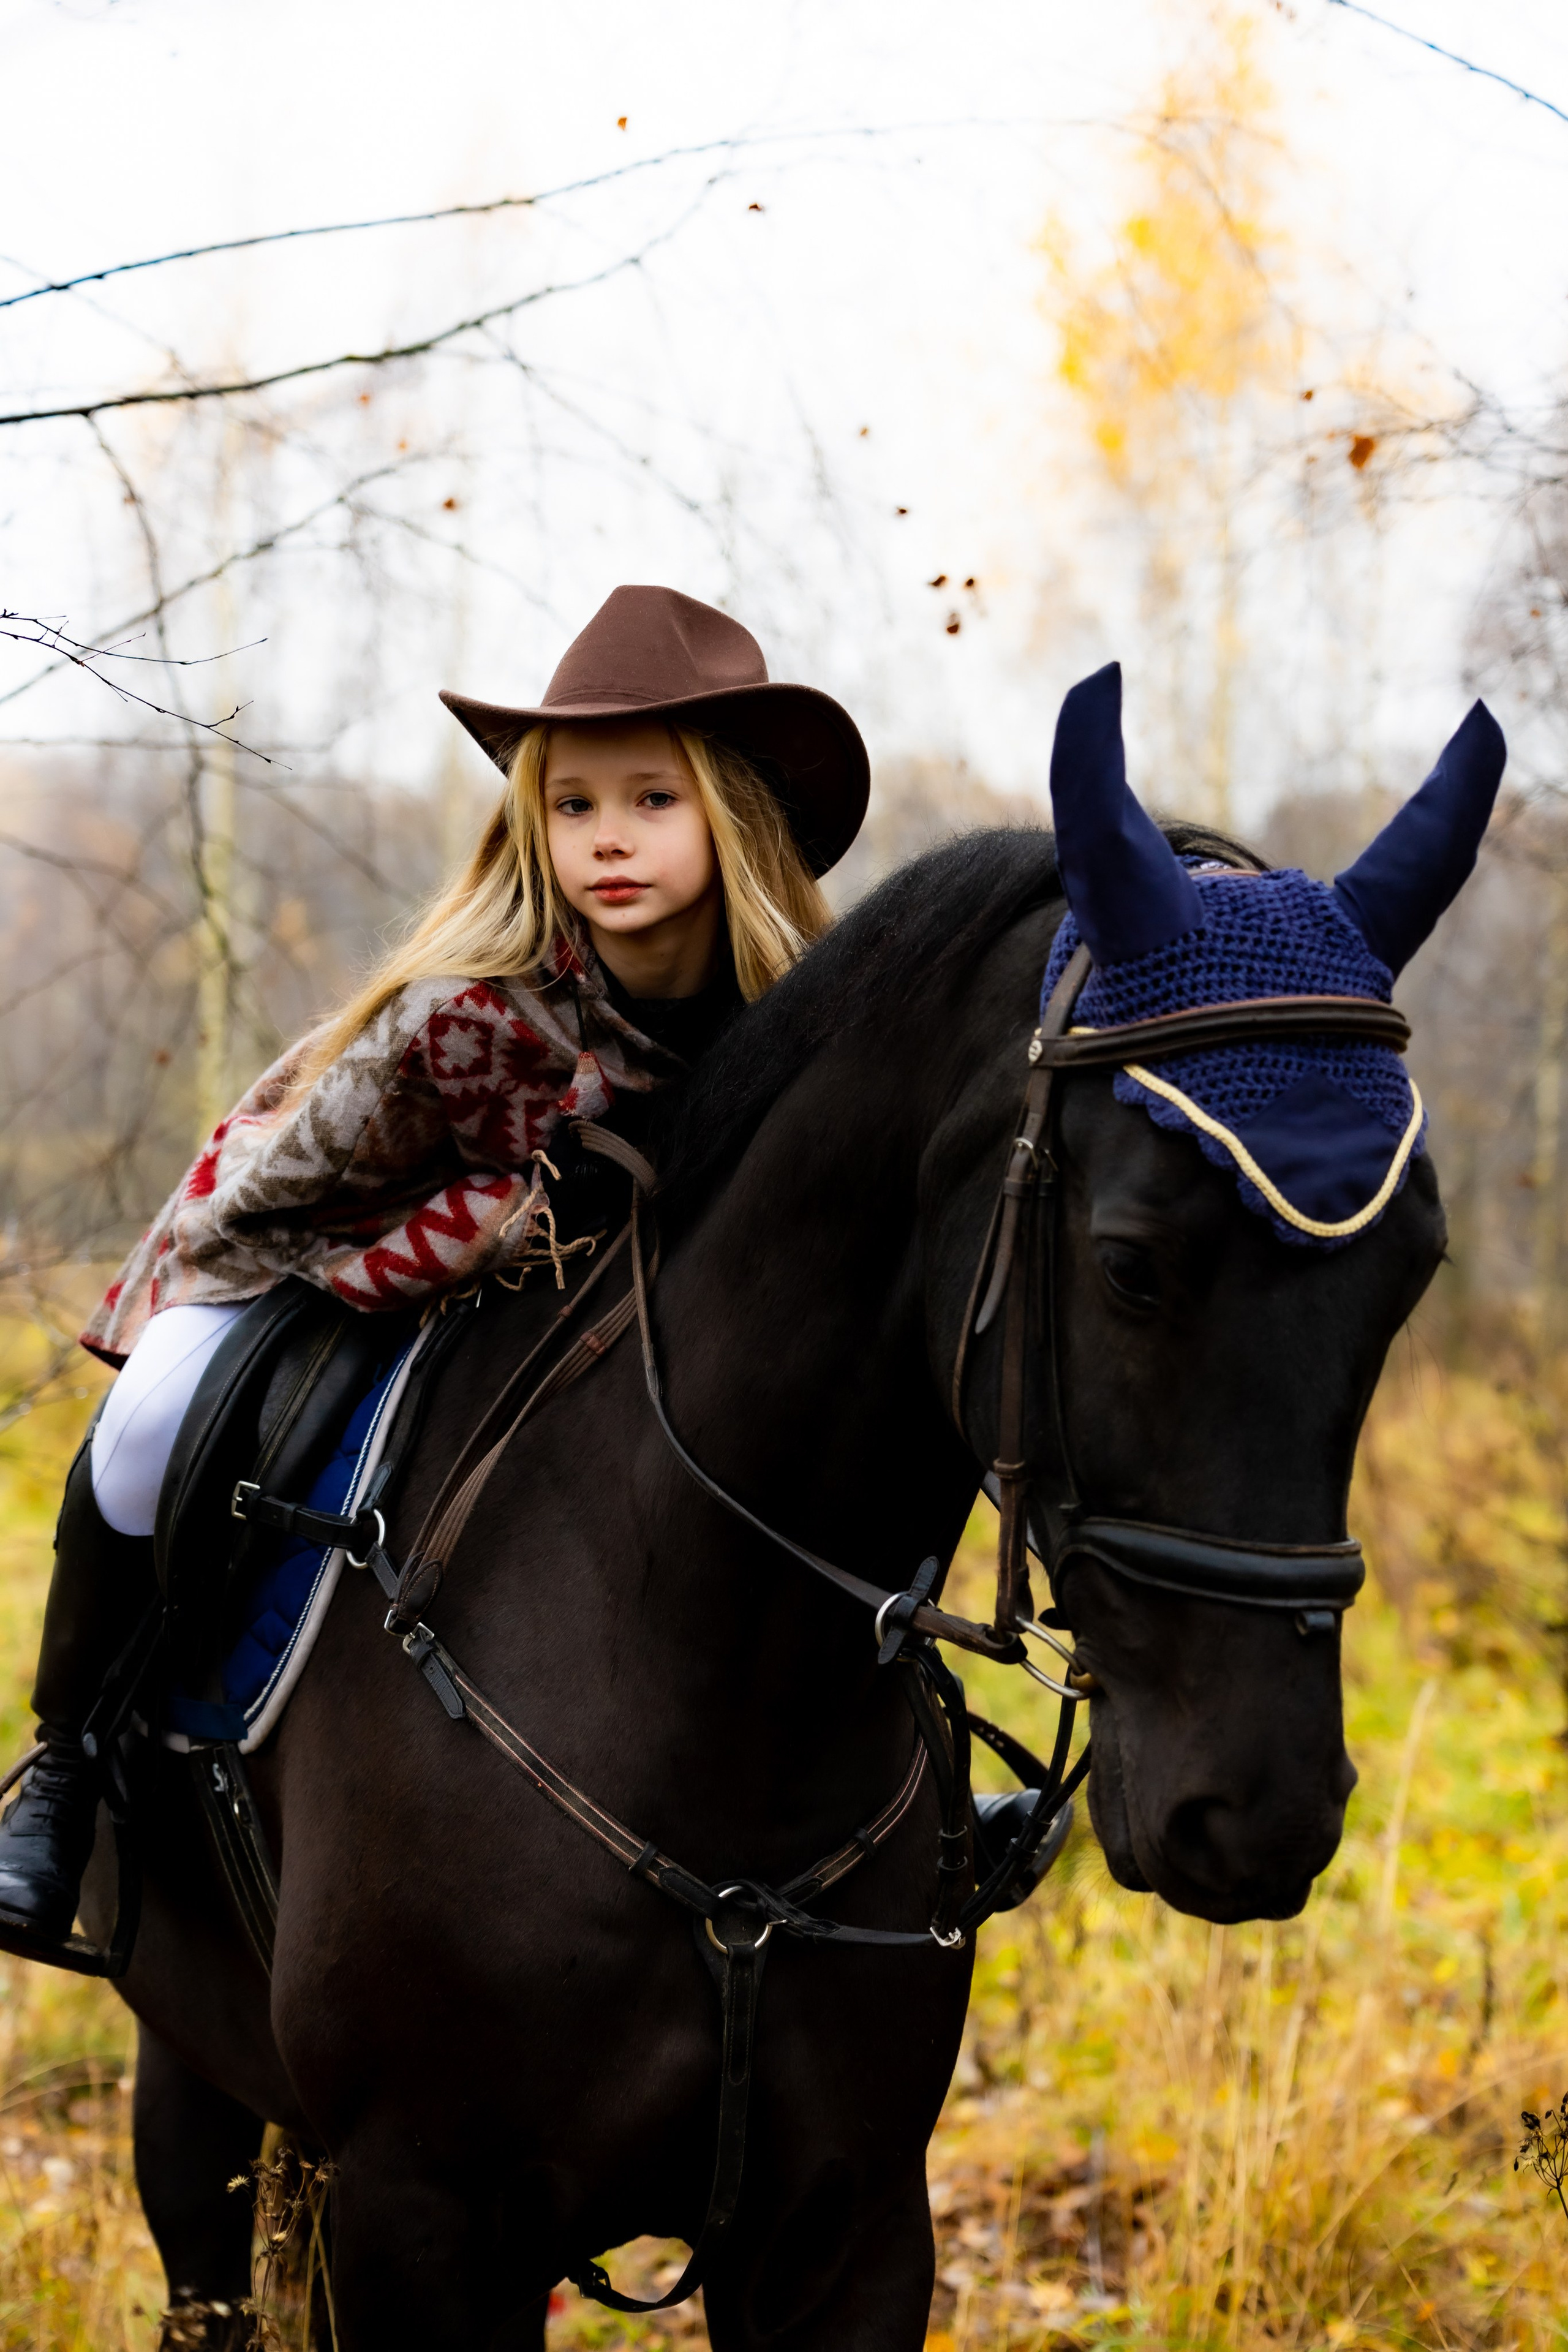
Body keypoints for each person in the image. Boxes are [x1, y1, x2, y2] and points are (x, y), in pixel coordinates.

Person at [0, 584, 869, 1945]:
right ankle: (70, 1770)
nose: (606, 838)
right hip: (312, 1246)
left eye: (651, 800)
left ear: (732, 816)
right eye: (572, 806)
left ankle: (904, 1768)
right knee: (144, 1431)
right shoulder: (458, 1018)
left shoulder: (802, 1025)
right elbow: (256, 1211)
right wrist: (491, 1219)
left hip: (616, 1323)